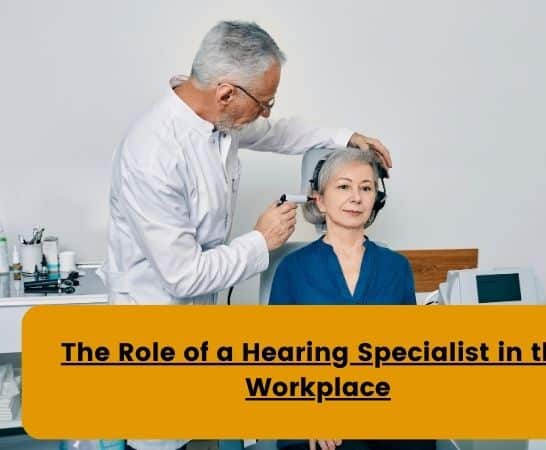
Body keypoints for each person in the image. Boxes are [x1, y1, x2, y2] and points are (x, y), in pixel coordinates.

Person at [98, 21, 392, 450]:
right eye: (265, 101)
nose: (267, 112)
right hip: (153, 330)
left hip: (200, 328)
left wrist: (345, 136)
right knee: (160, 440)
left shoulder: (219, 122)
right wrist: (261, 241)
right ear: (226, 93)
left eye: (364, 188)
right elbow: (181, 276)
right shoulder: (152, 154)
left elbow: (279, 134)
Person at [269, 148, 436, 450]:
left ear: (376, 200)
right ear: (319, 199)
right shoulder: (292, 269)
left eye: (366, 188)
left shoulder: (396, 267)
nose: (356, 197)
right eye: (344, 186)